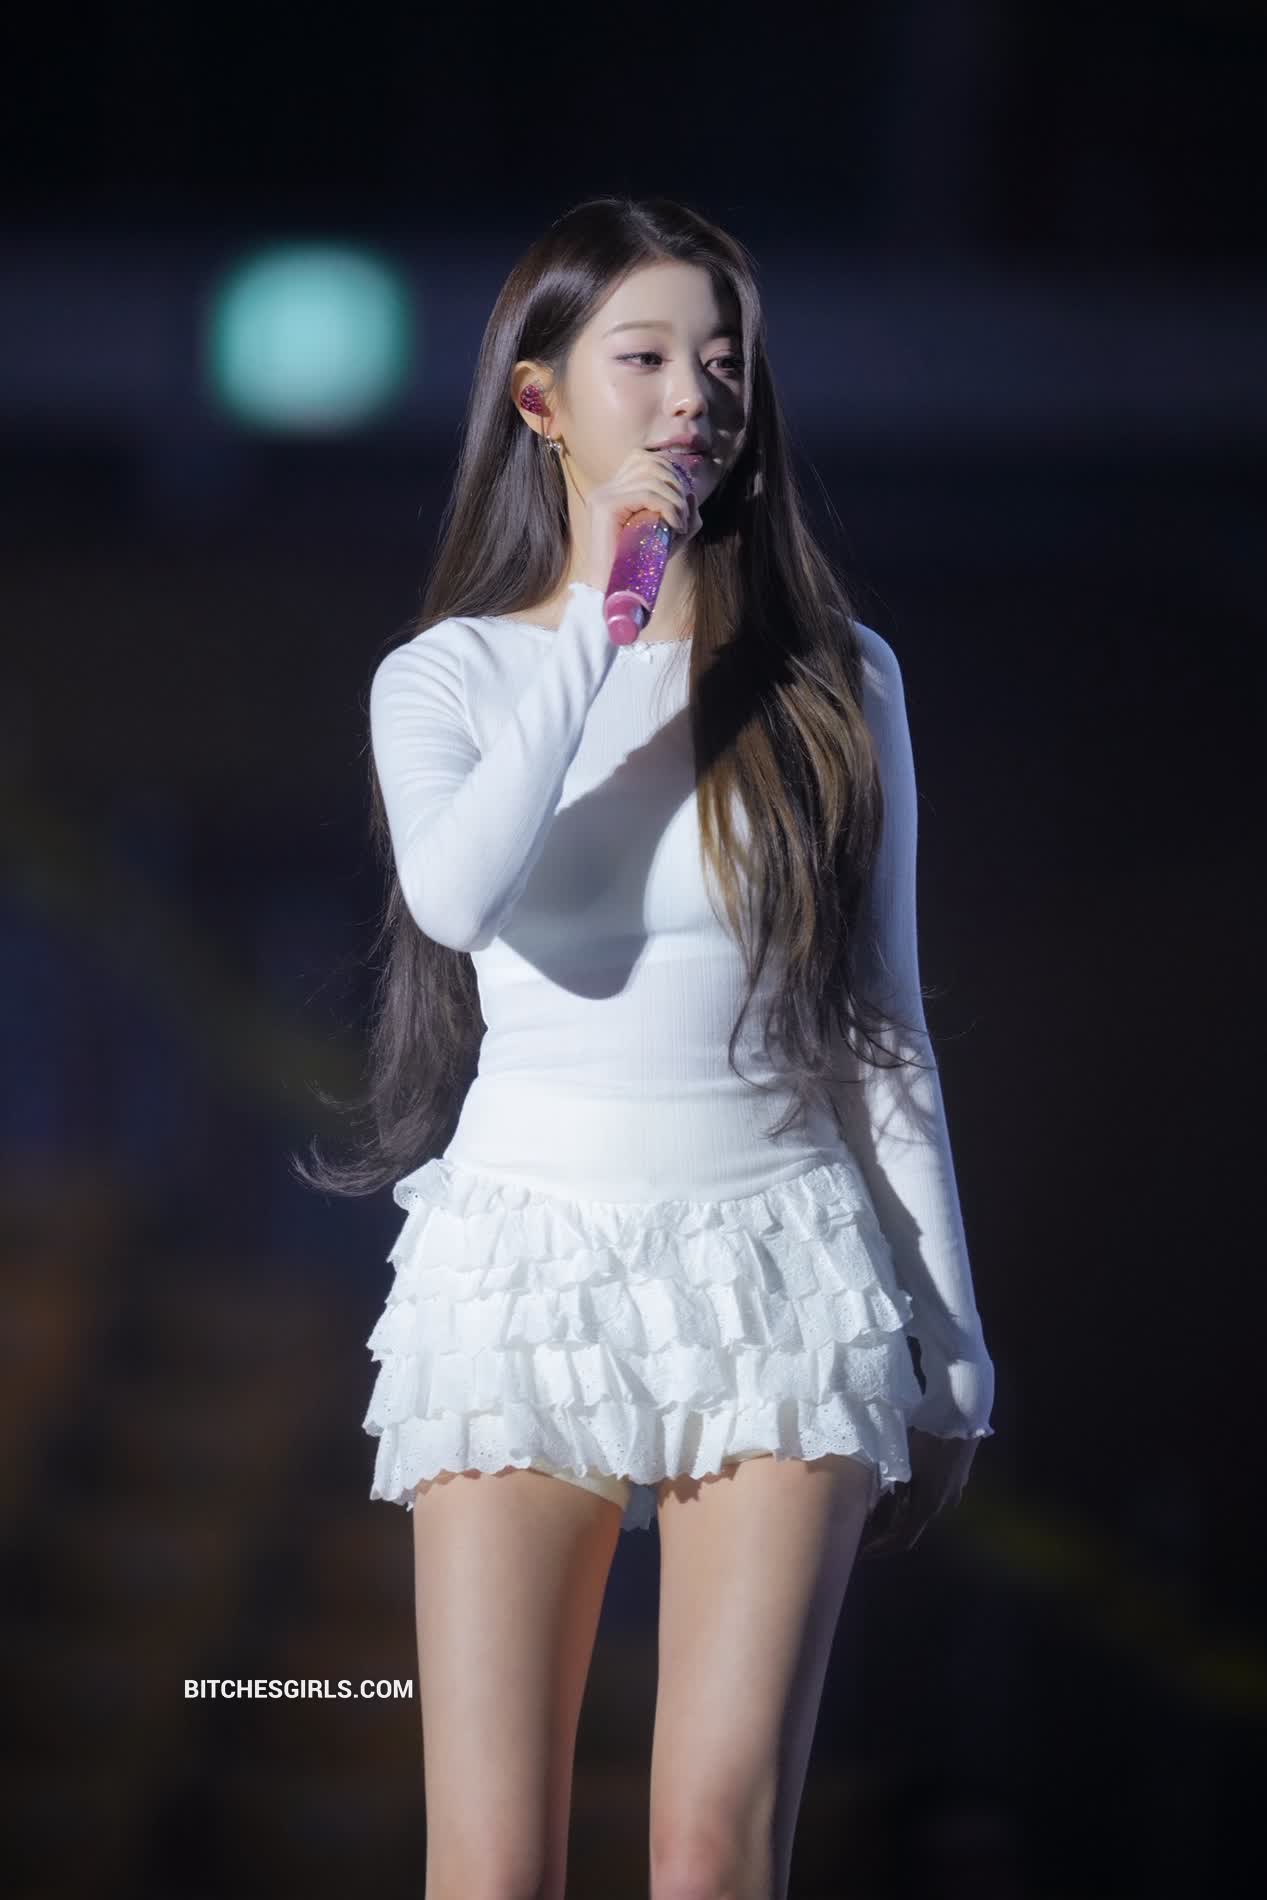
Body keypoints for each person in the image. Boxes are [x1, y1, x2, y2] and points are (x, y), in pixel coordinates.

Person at [296, 195, 996, 1900]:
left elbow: (883, 1026)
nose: (697, 395)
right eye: (649, 356)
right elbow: (454, 897)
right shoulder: (447, 679)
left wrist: (954, 1336)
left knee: (709, 1846)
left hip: (776, 1260)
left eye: (725, 361)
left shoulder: (835, 679)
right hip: (522, 1262)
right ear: (541, 397)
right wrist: (597, 631)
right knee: (491, 1861)